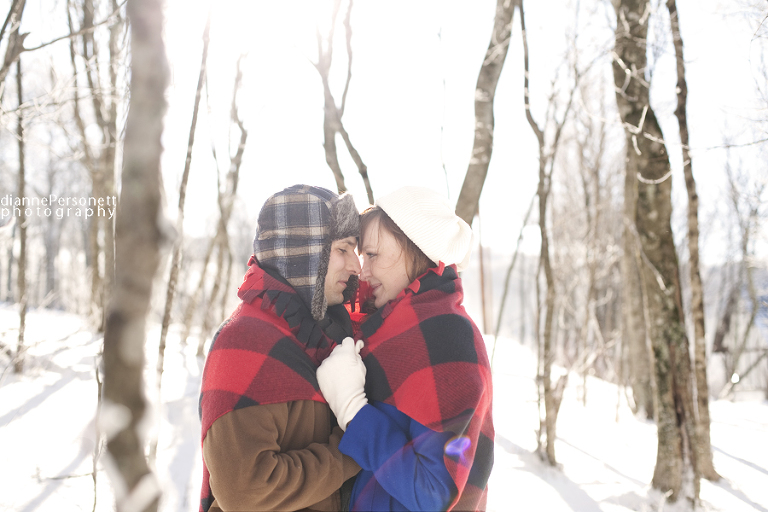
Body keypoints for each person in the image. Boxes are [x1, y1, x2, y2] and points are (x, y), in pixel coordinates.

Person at [317, 186, 495, 511]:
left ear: (416, 247)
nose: (363, 270)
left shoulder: (447, 336)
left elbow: (434, 492)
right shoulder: (392, 329)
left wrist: (354, 411)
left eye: (372, 255)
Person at [199, 184, 363, 512]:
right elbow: (245, 489)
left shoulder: (323, 334)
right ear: (304, 252)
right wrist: (353, 450)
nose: (356, 265)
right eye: (343, 250)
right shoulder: (246, 340)